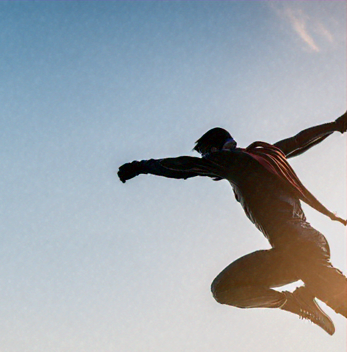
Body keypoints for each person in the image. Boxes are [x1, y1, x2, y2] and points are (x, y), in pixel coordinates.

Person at [118, 113, 347, 335]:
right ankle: (297, 300)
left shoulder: (231, 160)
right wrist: (336, 125)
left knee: (339, 299)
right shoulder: (265, 156)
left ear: (216, 150)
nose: (206, 162)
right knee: (223, 289)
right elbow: (297, 142)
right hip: (299, 248)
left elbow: (186, 166)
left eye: (206, 155)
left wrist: (142, 166)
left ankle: (294, 300)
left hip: (300, 249)